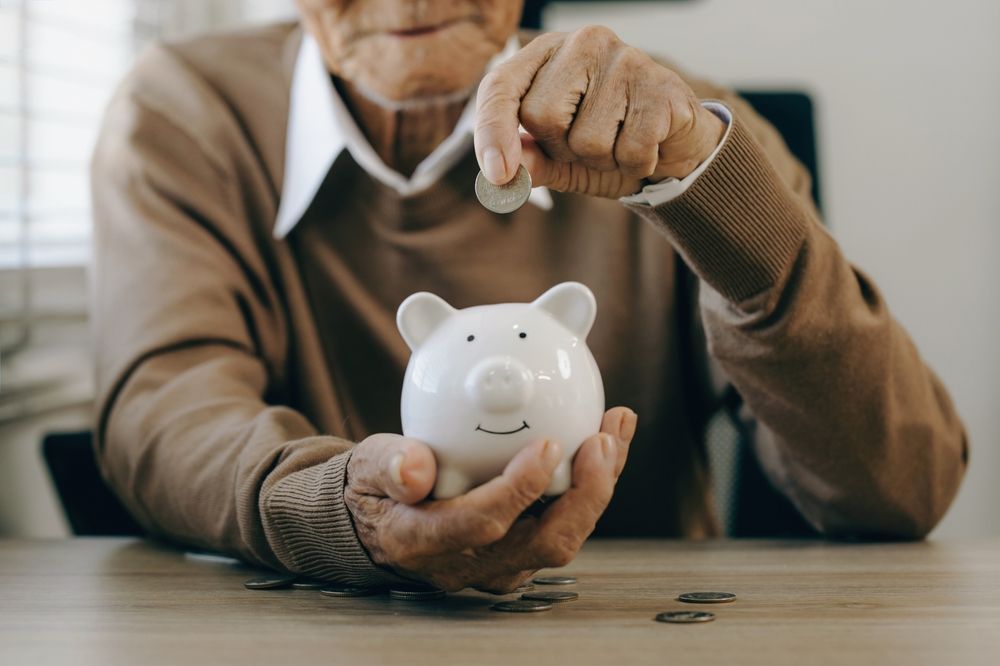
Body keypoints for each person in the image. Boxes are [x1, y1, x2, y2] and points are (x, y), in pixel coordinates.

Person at [89, 0, 967, 592]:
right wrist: (339, 514)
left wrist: (712, 194)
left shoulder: (684, 129)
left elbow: (904, 487)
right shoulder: (185, 112)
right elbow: (163, 409)